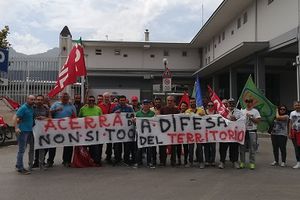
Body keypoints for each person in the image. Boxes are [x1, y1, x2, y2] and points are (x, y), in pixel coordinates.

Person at [47, 93, 76, 167]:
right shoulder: (56, 104)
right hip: (56, 128)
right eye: (64, 97)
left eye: (66, 97)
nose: (65, 98)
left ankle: (66, 161)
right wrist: (56, 110)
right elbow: (49, 113)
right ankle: (50, 161)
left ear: (69, 98)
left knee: (68, 145)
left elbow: (75, 116)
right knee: (53, 144)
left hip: (68, 128)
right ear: (61, 97)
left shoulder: (71, 106)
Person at [77, 96, 103, 166]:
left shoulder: (98, 109)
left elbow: (102, 119)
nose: (91, 102)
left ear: (94, 101)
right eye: (90, 100)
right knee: (85, 147)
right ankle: (85, 161)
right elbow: (79, 119)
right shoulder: (83, 109)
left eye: (92, 100)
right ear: (87, 101)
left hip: (95, 132)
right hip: (85, 132)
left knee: (95, 147)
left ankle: (96, 161)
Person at [218, 98, 243, 169]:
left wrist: (236, 119)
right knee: (223, 148)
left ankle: (234, 161)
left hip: (234, 134)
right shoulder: (223, 111)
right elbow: (219, 120)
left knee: (234, 148)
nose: (231, 104)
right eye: (230, 103)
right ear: (227, 104)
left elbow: (242, 120)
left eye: (233, 103)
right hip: (224, 134)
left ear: (235, 104)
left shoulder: (239, 112)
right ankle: (222, 162)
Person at [14, 95, 35, 175]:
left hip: (28, 130)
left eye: (33, 100)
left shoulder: (31, 108)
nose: (32, 101)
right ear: (27, 99)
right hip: (22, 131)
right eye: (31, 99)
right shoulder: (23, 108)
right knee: (22, 150)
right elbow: (16, 118)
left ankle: (18, 164)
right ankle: (20, 168)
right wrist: (16, 128)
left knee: (23, 148)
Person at [112, 95, 135, 165]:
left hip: (127, 131)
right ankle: (117, 159)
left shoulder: (129, 108)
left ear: (126, 100)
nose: (122, 101)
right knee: (117, 146)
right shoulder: (115, 108)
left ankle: (126, 159)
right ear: (119, 101)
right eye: (121, 100)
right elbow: (111, 117)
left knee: (127, 146)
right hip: (118, 131)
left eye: (123, 100)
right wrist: (115, 113)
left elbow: (133, 116)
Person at [133, 99, 156, 168]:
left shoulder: (152, 114)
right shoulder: (137, 113)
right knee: (139, 149)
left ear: (149, 105)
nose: (146, 105)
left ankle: (149, 162)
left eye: (147, 104)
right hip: (140, 134)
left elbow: (155, 124)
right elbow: (135, 124)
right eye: (144, 104)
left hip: (149, 134)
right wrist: (134, 121)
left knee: (149, 149)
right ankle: (138, 162)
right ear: (142, 105)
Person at [240, 98, 261, 170]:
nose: (248, 103)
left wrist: (251, 117)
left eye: (250, 102)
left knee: (252, 148)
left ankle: (252, 163)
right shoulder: (242, 111)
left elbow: (258, 121)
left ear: (252, 103)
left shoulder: (255, 111)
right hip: (243, 131)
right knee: (242, 148)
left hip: (252, 131)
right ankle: (242, 162)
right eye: (247, 102)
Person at [31, 95, 51, 170]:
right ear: (36, 100)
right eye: (38, 100)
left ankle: (42, 161)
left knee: (45, 147)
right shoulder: (32, 108)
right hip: (34, 130)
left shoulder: (46, 108)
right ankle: (36, 162)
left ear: (43, 101)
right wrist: (35, 118)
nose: (39, 101)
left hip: (44, 131)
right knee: (36, 146)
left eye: (41, 100)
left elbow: (50, 118)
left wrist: (44, 118)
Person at [159, 96, 180, 167]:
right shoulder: (162, 109)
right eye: (168, 100)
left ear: (174, 102)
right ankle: (162, 161)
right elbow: (159, 119)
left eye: (171, 100)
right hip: (164, 131)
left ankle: (173, 161)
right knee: (163, 147)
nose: (169, 102)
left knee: (173, 147)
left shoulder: (176, 110)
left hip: (173, 132)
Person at [185, 98, 205, 168]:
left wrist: (202, 116)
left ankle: (201, 162)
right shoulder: (187, 111)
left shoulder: (201, 110)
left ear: (195, 103)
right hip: (190, 133)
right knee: (190, 148)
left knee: (200, 148)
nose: (192, 103)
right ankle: (190, 162)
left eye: (193, 102)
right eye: (191, 102)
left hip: (199, 133)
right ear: (189, 103)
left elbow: (205, 119)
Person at [98, 92, 116, 163]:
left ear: (110, 98)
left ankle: (108, 157)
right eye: (105, 97)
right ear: (103, 98)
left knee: (109, 143)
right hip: (102, 127)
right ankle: (98, 156)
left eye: (108, 97)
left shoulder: (114, 106)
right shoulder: (99, 106)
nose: (107, 98)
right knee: (100, 143)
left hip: (110, 127)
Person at [204, 101, 217, 167]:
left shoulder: (216, 113)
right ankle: (207, 160)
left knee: (213, 147)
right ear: (207, 106)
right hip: (206, 133)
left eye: (212, 105)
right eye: (209, 105)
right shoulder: (204, 112)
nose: (210, 107)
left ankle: (212, 160)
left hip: (213, 133)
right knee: (206, 147)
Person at [289, 101, 300, 169]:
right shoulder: (292, 113)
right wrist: (289, 132)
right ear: (294, 106)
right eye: (296, 105)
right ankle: (298, 162)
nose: (297, 106)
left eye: (299, 105)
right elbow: (290, 123)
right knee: (296, 148)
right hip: (294, 132)